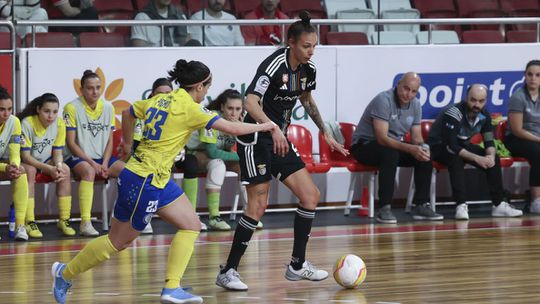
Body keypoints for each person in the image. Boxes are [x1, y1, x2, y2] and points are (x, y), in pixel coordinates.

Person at [51, 59, 276, 304]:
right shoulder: (190, 108)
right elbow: (231, 129)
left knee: (191, 225)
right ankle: (65, 273)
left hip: (153, 177)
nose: (207, 93)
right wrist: (267, 125)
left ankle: (172, 287)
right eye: (207, 87)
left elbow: (129, 113)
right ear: (199, 86)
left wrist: (128, 144)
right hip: (143, 181)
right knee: (118, 241)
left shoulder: (160, 98)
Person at [216, 11, 347, 291]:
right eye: (306, 46)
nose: (311, 51)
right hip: (256, 139)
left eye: (314, 46)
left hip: (279, 138)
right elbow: (251, 103)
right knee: (258, 206)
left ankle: (297, 265)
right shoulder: (275, 64)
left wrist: (325, 131)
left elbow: (307, 100)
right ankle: (228, 271)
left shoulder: (308, 71)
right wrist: (272, 128)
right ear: (291, 43)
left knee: (310, 196)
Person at [350, 72, 443, 224]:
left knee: (425, 155)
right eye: (406, 89)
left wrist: (421, 147)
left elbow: (416, 137)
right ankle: (385, 208)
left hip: (390, 146)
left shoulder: (416, 105)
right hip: (364, 145)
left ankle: (421, 205)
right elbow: (382, 138)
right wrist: (411, 148)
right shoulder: (384, 100)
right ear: (398, 84)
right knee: (390, 153)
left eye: (414, 91)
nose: (409, 94)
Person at [428, 84, 523, 220]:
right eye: (473, 100)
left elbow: (489, 141)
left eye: (481, 101)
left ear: (485, 101)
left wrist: (489, 156)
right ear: (466, 98)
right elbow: (452, 146)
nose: (476, 104)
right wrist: (477, 159)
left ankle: (499, 204)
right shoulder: (454, 113)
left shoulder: (485, 115)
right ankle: (461, 205)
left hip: (462, 145)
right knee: (456, 158)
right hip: (439, 146)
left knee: (494, 157)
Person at [63, 70, 125, 237]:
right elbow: (70, 142)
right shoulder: (71, 107)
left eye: (98, 87)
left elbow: (109, 139)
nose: (95, 91)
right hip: (77, 157)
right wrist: (93, 163)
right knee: (89, 172)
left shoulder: (108, 107)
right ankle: (85, 222)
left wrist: (104, 163)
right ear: (81, 89)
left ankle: (122, 219)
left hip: (102, 157)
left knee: (128, 172)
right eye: (90, 88)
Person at [184, 89, 248, 231]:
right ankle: (214, 217)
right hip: (195, 152)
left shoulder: (240, 121)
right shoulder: (211, 119)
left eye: (238, 109)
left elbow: (242, 149)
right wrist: (241, 156)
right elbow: (212, 152)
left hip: (218, 153)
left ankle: (250, 216)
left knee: (245, 166)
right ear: (222, 108)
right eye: (230, 108)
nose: (233, 113)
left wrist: (242, 131)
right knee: (218, 165)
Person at [18, 93, 75, 238]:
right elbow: (25, 156)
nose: (51, 116)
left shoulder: (60, 123)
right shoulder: (27, 123)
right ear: (38, 109)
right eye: (47, 111)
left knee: (65, 170)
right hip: (29, 162)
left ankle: (64, 220)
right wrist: (49, 169)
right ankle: (29, 221)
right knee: (30, 171)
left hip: (47, 161)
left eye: (55, 112)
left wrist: (58, 165)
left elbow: (57, 152)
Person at [132, 77, 174, 234]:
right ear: (151, 95)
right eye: (159, 94)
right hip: (142, 159)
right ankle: (144, 215)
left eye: (168, 93)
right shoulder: (144, 112)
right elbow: (134, 145)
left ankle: (186, 215)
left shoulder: (176, 114)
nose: (164, 97)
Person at [505, 60, 540, 214]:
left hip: (537, 138)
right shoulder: (518, 97)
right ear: (524, 76)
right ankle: (535, 201)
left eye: (538, 75)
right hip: (516, 138)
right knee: (538, 152)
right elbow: (517, 130)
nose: (533, 78)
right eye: (530, 74)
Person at [0, 86, 29, 241]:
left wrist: (14, 166)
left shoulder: (14, 122)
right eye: (2, 109)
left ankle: (20, 226)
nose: (6, 113)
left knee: (21, 171)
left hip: (3, 164)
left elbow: (14, 151)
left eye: (10, 109)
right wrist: (5, 167)